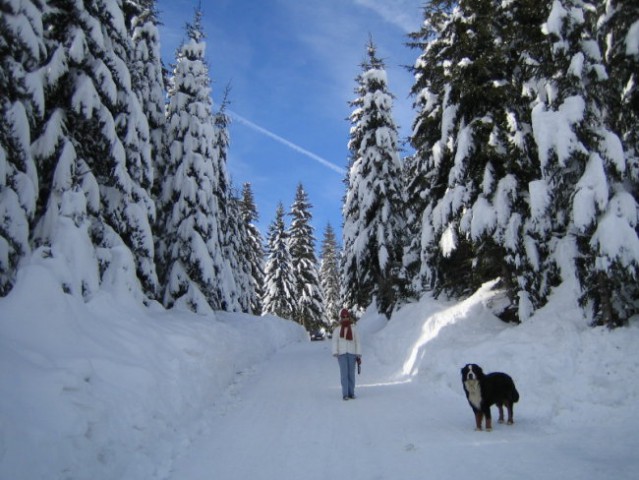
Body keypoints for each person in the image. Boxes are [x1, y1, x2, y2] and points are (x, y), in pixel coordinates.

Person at [332, 308, 361, 400]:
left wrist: (358, 354)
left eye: (346, 316)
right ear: (341, 318)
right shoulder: (337, 330)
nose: (345, 318)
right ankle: (345, 394)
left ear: (349, 317)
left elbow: (358, 342)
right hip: (342, 354)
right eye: (343, 317)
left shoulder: (353, 329)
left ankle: (351, 393)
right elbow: (334, 342)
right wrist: (335, 352)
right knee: (344, 374)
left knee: (351, 374)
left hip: (352, 354)